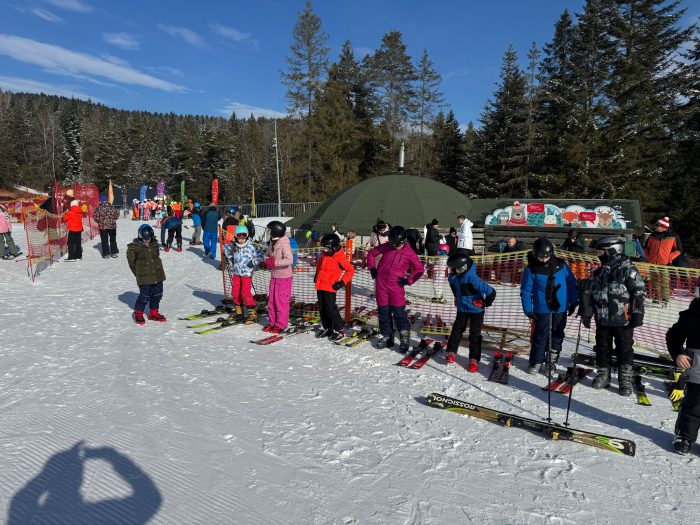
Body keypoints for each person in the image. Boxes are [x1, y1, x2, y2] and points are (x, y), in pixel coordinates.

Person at [578, 236, 646, 396]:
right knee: (602, 347)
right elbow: (593, 294)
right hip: (602, 317)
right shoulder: (600, 272)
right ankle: (603, 374)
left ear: (612, 251)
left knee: (624, 348)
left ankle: (625, 379)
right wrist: (587, 312)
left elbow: (639, 291)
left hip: (623, 319)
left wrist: (637, 313)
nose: (598, 255)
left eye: (600, 252)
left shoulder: (627, 269)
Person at [520, 238, 578, 375]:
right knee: (541, 334)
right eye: (540, 257)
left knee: (557, 334)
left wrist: (574, 301)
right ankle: (536, 361)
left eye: (546, 257)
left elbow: (571, 284)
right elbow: (526, 291)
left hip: (560, 307)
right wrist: (528, 309)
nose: (544, 260)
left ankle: (551, 362)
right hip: (542, 308)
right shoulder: (531, 269)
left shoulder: (561, 266)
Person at [367, 226, 425, 351]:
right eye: (392, 244)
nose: (394, 247)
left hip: (396, 286)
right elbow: (371, 254)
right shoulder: (387, 246)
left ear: (403, 241)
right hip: (381, 285)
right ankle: (387, 336)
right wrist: (372, 267)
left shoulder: (409, 252)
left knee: (399, 312)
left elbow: (420, 269)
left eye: (396, 245)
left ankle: (404, 338)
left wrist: (409, 280)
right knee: (383, 312)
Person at [445, 252, 496, 372]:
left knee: (475, 334)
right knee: (457, 330)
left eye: (454, 268)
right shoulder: (453, 277)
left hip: (476, 311)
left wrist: (484, 303)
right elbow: (455, 289)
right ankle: (451, 351)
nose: (451, 270)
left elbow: (491, 292)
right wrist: (457, 298)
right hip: (462, 309)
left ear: (462, 268)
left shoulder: (472, 279)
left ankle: (474, 359)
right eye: (451, 268)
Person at [666, 278, 700, 454]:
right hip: (697, 368)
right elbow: (673, 336)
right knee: (694, 404)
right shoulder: (691, 315)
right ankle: (684, 436)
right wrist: (678, 354)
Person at [314, 233, 355, 342]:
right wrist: (316, 275)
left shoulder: (339, 257)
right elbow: (319, 265)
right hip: (320, 285)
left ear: (335, 247)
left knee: (331, 309)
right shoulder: (324, 254)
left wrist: (341, 283)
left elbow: (350, 271)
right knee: (322, 309)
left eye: (326, 248)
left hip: (330, 287)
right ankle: (328, 327)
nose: (324, 250)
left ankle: (340, 328)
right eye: (323, 248)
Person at [224, 225, 265, 323]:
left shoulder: (251, 246)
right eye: (239, 238)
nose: (241, 240)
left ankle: (253, 314)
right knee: (235, 292)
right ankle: (239, 312)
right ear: (235, 237)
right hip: (236, 272)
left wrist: (253, 262)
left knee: (245, 292)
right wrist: (231, 258)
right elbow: (225, 248)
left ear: (247, 236)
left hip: (246, 273)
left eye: (244, 237)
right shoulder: (234, 245)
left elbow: (261, 255)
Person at [126, 224, 166, 324]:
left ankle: (153, 313)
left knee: (157, 294)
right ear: (140, 236)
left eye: (149, 238)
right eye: (145, 239)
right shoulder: (133, 248)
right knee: (145, 296)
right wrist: (139, 274)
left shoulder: (155, 244)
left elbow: (156, 256)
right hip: (144, 277)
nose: (147, 240)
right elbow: (132, 264)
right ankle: (138, 313)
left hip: (157, 275)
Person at [263, 220, 294, 333]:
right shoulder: (272, 242)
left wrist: (275, 263)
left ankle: (280, 324)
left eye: (270, 230)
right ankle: (272, 322)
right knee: (272, 301)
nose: (268, 232)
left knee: (281, 302)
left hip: (284, 278)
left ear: (275, 231)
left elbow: (289, 260)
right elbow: (266, 255)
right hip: (274, 276)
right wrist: (267, 260)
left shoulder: (284, 243)